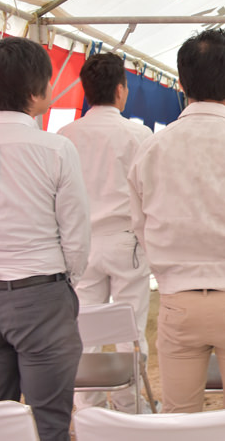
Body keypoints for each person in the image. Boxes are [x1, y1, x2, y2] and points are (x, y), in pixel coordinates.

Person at [127, 29, 225, 413]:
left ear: (181, 84)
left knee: (179, 422)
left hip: (178, 300)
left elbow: (140, 226)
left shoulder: (150, 149)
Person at [0, 37, 89, 441]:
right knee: (49, 423)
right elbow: (76, 232)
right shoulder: (56, 148)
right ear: (37, 92)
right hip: (40, 297)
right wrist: (64, 282)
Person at [57, 52, 153, 413]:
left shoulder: (66, 135)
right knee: (131, 327)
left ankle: (89, 409)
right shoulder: (137, 134)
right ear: (120, 90)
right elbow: (150, 192)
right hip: (125, 240)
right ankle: (130, 407)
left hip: (81, 244)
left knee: (85, 329)